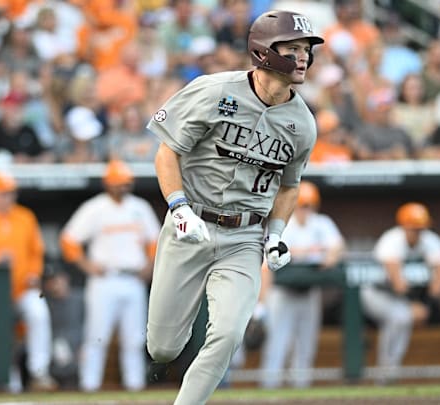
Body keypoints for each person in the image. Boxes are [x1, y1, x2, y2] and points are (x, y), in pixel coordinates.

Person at [144, 10, 323, 405]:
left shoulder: (303, 124)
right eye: (292, 48)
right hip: (190, 224)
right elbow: (166, 152)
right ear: (263, 52)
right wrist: (179, 208)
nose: (303, 57)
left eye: (306, 49)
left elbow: (290, 187)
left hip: (245, 236)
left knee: (227, 335)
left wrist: (275, 234)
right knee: (163, 348)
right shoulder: (213, 90)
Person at [60, 160, 161, 392]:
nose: (122, 188)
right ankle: (89, 385)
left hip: (133, 279)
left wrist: (149, 265)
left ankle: (135, 387)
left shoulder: (139, 207)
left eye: (125, 184)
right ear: (107, 184)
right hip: (104, 280)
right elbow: (68, 239)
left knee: (134, 339)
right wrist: (85, 265)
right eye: (117, 184)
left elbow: (156, 240)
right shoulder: (95, 208)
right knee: (97, 337)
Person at [0, 171, 56, 391]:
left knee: (38, 311)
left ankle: (39, 372)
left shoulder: (25, 216)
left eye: (11, 193)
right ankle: (8, 380)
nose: (8, 197)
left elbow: (36, 252)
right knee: (3, 332)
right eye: (3, 193)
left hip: (23, 287)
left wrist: (34, 273)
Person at [259, 181, 345, 389]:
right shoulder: (281, 223)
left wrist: (330, 255)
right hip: (281, 294)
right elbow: (271, 258)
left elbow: (338, 246)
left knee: (306, 343)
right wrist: (310, 252)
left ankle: (301, 389)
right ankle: (269, 388)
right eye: (301, 205)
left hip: (308, 293)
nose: (304, 210)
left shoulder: (321, 223)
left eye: (308, 206)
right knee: (279, 342)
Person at [360, 202, 440, 384]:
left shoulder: (431, 241)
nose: (417, 232)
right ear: (403, 226)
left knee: (404, 317)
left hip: (406, 298)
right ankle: (385, 374)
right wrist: (414, 305)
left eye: (420, 228)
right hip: (376, 292)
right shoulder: (392, 240)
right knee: (401, 316)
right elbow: (397, 282)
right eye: (413, 228)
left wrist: (426, 306)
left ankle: (390, 372)